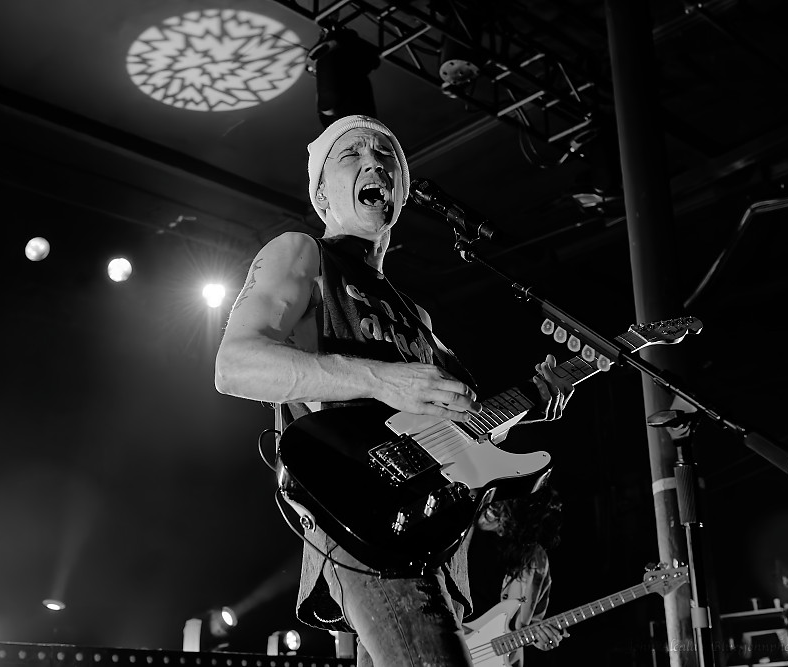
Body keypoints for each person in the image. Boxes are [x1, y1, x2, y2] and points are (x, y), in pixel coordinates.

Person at [214, 114, 575, 667]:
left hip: (436, 534)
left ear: (402, 193)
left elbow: (458, 430)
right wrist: (381, 379)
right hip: (361, 518)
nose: (373, 163)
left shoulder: (418, 318)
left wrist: (531, 403)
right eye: (351, 154)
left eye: (385, 156)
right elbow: (235, 364)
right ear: (321, 194)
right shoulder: (302, 254)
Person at [466, 485, 567, 667]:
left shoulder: (537, 562)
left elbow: (531, 623)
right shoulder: (460, 528)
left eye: (507, 511)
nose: (494, 508)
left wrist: (541, 637)